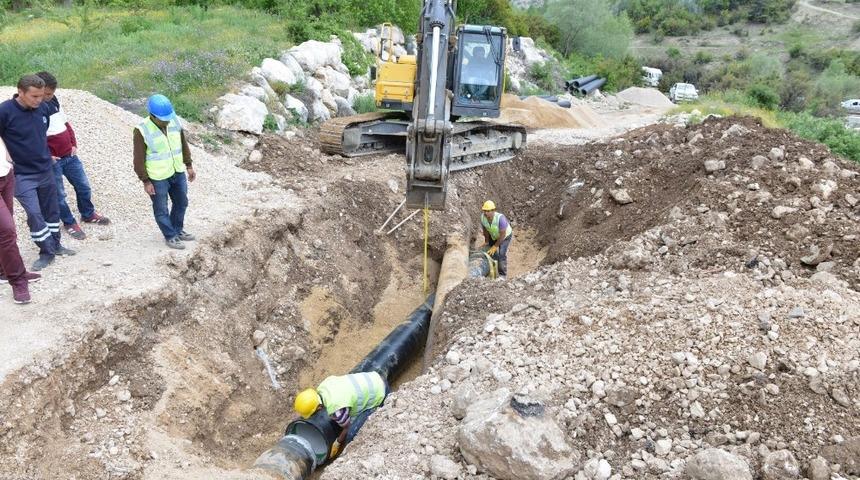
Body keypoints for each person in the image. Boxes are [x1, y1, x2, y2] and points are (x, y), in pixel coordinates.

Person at [0, 74, 76, 271]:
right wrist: (6, 156)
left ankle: (56, 245)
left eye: (41, 96)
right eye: (34, 96)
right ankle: (45, 251)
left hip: (45, 170)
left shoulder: (43, 107)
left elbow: (41, 133)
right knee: (34, 213)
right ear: (21, 92)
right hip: (21, 175)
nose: (39, 100)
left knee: (52, 211)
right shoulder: (5, 112)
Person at [37, 71, 110, 240]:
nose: (49, 96)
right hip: (53, 160)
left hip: (69, 154)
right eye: (46, 93)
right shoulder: (34, 108)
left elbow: (65, 123)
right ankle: (69, 222)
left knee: (83, 186)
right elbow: (34, 137)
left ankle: (88, 213)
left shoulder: (53, 101)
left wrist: (73, 142)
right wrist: (47, 155)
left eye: (52, 93)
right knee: (59, 194)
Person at [133, 94, 196, 250]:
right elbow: (138, 159)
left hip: (177, 171)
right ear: (153, 116)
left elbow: (183, 144)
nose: (167, 121)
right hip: (157, 177)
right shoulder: (142, 130)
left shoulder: (174, 121)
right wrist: (146, 181)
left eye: (168, 117)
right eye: (164, 119)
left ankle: (178, 230)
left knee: (182, 202)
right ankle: (170, 236)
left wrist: (188, 165)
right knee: (161, 209)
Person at [293, 371, 389, 458]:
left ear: (319, 408)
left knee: (351, 435)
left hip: (380, 393)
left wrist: (338, 443)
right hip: (373, 377)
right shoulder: (323, 386)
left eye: (312, 414)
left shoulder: (337, 409)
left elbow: (347, 427)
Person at [0, 136, 41, 304]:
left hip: (6, 173)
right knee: (7, 231)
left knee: (5, 230)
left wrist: (8, 158)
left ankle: (3, 271)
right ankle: (18, 280)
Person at [480, 200, 513, 279]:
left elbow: (502, 235)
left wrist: (495, 246)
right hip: (494, 235)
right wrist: (487, 241)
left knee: (501, 255)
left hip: (505, 237)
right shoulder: (483, 217)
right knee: (489, 248)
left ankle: (502, 275)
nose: (486, 213)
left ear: (493, 210)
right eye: (485, 211)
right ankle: (493, 262)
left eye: (488, 211)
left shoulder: (500, 219)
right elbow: (485, 229)